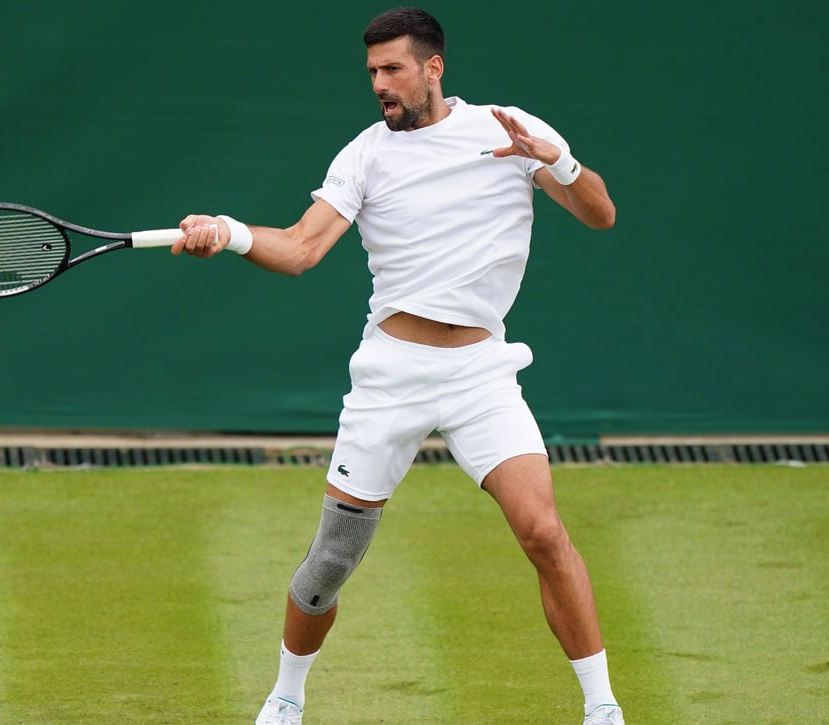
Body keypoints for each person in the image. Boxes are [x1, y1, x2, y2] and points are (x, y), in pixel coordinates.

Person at [172, 7, 623, 724]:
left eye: (392, 70)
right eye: (372, 73)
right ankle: (286, 697)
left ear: (433, 68)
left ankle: (602, 708)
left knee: (542, 530)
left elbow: (600, 214)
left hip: (482, 373)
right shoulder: (365, 154)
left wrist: (556, 160)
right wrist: (225, 233)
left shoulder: (508, 130)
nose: (380, 84)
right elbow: (299, 247)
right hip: (391, 375)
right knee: (330, 563)